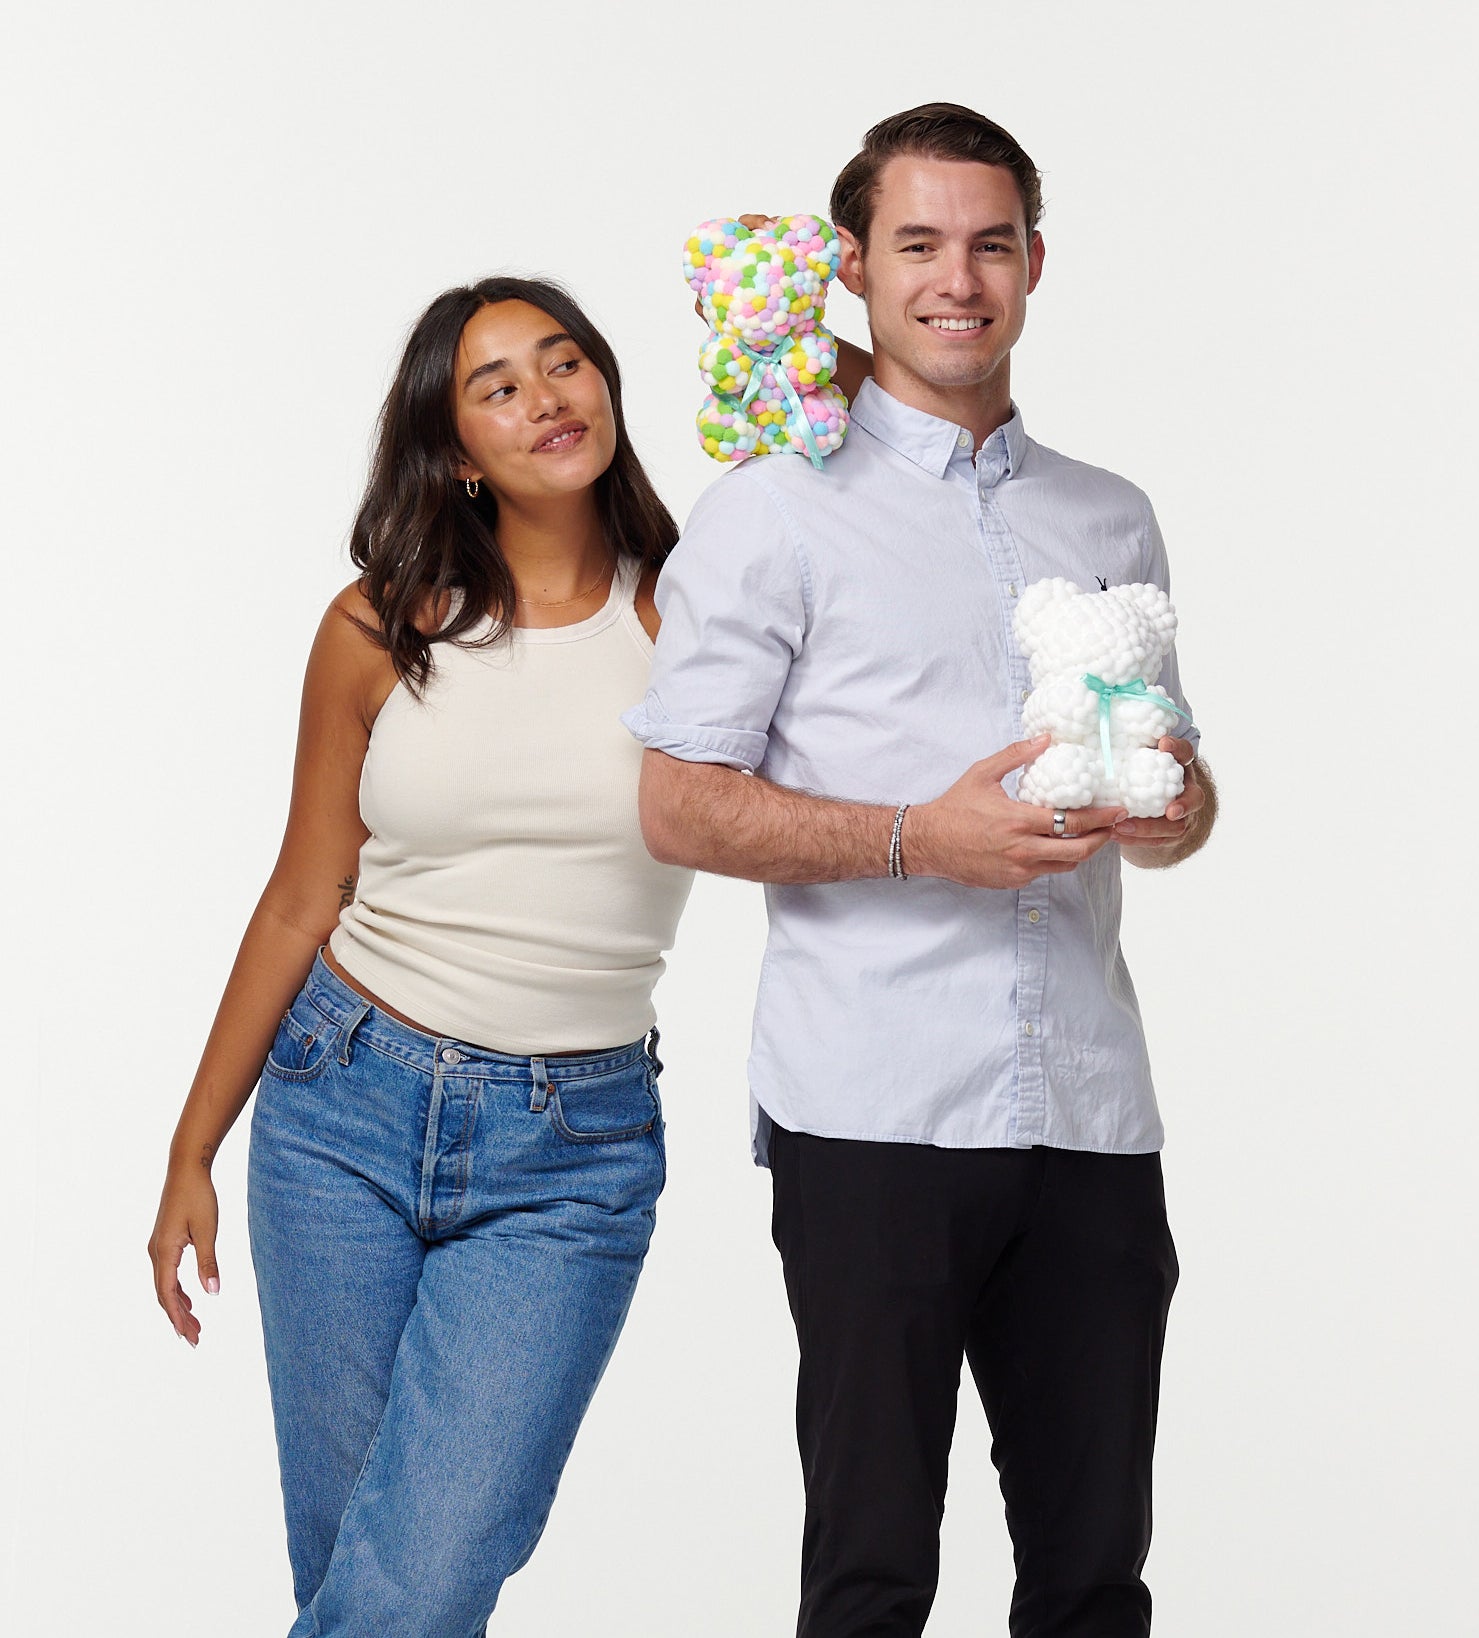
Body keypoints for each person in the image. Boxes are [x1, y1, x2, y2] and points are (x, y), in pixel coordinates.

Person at [145, 273, 849, 1635]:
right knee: (356, 1573)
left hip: (569, 1151)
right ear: (456, 449)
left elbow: (853, 481)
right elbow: (303, 891)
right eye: (499, 384)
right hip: (338, 1107)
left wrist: (831, 345)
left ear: (609, 387)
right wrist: (193, 1144)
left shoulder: (693, 616)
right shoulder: (375, 626)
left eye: (566, 361)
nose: (546, 398)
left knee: (419, 1576)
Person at [627, 104, 1218, 1636]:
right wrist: (912, 837)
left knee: (1095, 1580)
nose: (957, 278)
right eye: (917, 245)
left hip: (1088, 1106)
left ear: (1034, 262)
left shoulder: (1110, 516)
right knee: (875, 1578)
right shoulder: (769, 510)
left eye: (989, 242)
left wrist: (1169, 803)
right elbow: (678, 802)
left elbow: (1186, 791)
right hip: (872, 1106)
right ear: (853, 267)